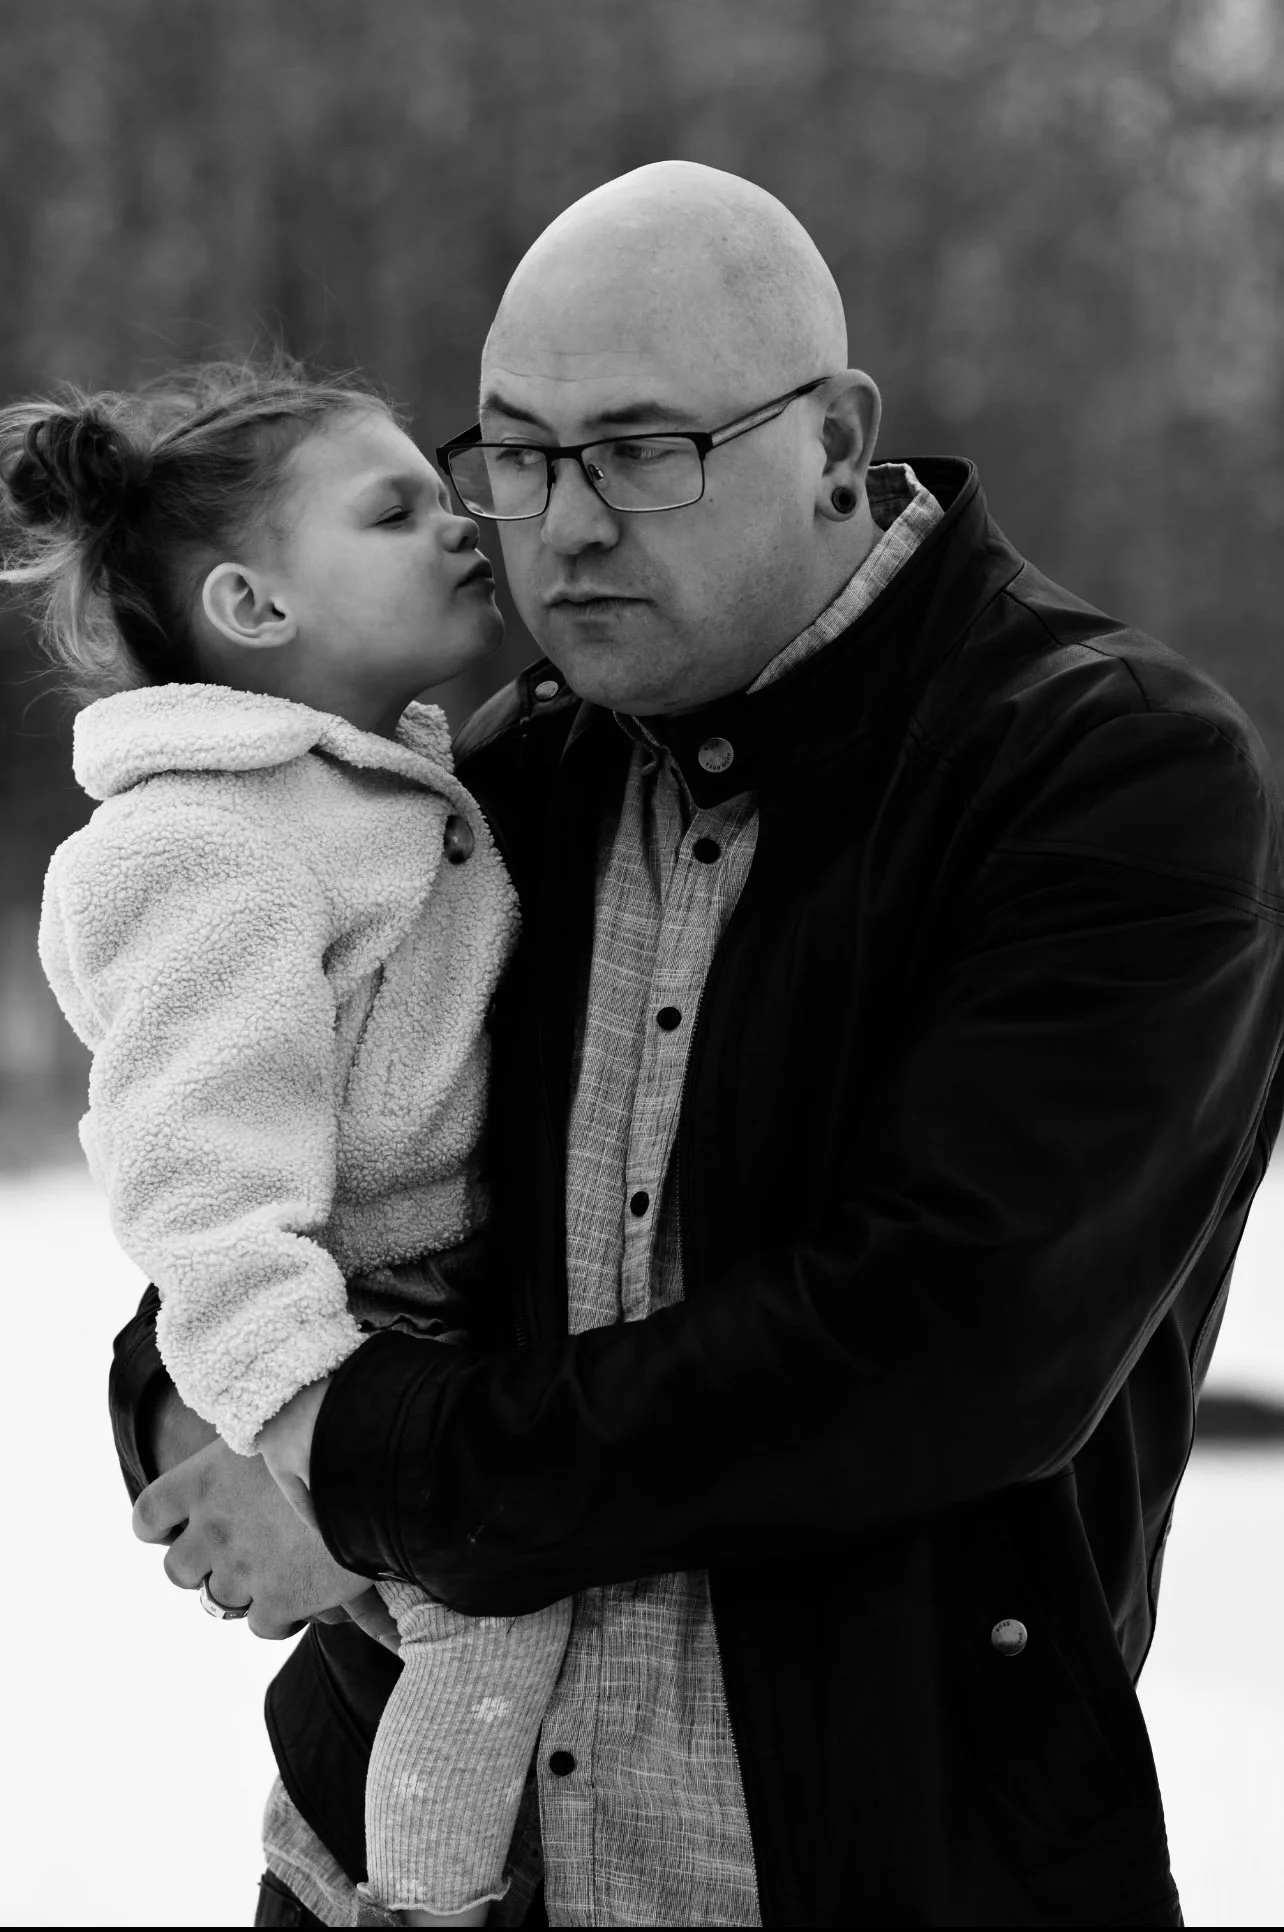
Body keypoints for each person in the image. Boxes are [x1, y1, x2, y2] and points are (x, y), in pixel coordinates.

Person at [117, 162, 1284, 1926]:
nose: (563, 527)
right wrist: (197, 1419)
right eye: (518, 455)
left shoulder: (1108, 773)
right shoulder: (498, 780)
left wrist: (367, 1469)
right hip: (401, 1874)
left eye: (642, 451)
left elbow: (936, 1349)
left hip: (865, 1872)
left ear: (836, 440)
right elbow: (249, 1192)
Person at [4, 361, 571, 1926]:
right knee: (488, 1616)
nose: (461, 525)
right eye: (395, 511)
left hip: (426, 1321)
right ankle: (423, 1905)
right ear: (255, 607)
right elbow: (196, 1179)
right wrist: (310, 1427)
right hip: (360, 1335)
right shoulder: (216, 847)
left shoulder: (372, 790)